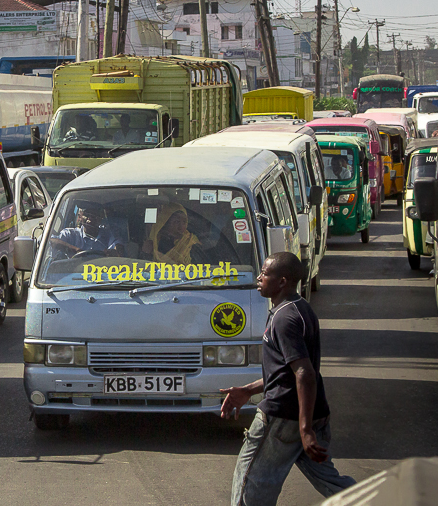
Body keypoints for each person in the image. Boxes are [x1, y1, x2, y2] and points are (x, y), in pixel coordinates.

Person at [220, 252, 355, 506]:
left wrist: (304, 430)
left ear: (282, 281)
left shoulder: (284, 318)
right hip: (311, 414)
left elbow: (304, 373)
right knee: (331, 483)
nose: (259, 278)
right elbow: (288, 372)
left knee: (250, 488)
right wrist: (249, 389)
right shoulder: (300, 308)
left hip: (282, 419)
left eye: (265, 273)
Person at [50, 201, 124, 257]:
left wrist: (114, 252)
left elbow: (118, 247)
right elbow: (52, 241)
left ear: (100, 219)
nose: (90, 219)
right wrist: (74, 249)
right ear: (80, 217)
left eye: (94, 215)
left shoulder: (108, 235)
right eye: (86, 215)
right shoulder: (70, 234)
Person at [140, 202, 204, 264]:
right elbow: (143, 267)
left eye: (184, 222)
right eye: (177, 222)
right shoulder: (155, 242)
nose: (181, 227)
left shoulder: (191, 243)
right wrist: (146, 253)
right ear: (165, 223)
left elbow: (200, 268)